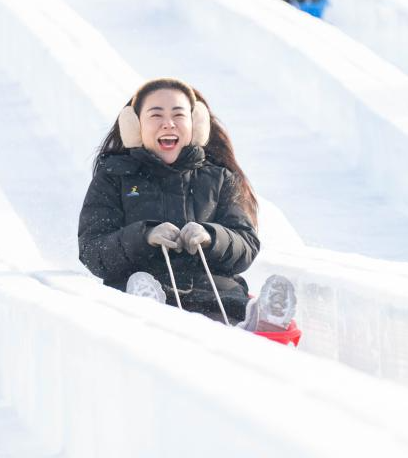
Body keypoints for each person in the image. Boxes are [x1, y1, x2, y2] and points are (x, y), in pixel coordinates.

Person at [78, 78, 295, 332]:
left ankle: (262, 321)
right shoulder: (115, 178)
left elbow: (246, 245)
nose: (168, 123)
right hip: (146, 287)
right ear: (135, 126)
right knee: (143, 294)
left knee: (229, 317)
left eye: (178, 114)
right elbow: (93, 250)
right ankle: (145, 306)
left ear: (196, 124)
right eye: (156, 115)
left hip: (214, 295)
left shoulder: (220, 179)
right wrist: (144, 236)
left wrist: (211, 237)